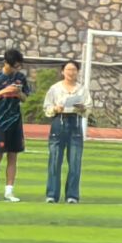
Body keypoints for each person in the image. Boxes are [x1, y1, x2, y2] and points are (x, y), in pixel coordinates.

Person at [0, 46, 31, 202]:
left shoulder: (20, 77)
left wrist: (18, 93)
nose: (16, 69)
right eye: (14, 66)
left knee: (13, 156)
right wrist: (4, 91)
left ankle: (9, 192)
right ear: (6, 63)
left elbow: (25, 98)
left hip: (15, 121)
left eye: (18, 66)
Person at [43, 60, 91, 204]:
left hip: (75, 123)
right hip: (59, 122)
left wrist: (82, 108)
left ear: (77, 72)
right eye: (68, 69)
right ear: (63, 71)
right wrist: (55, 109)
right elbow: (46, 107)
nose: (71, 72)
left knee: (75, 163)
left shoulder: (82, 90)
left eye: (74, 70)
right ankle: (52, 194)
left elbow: (88, 108)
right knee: (54, 161)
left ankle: (72, 195)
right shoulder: (55, 88)